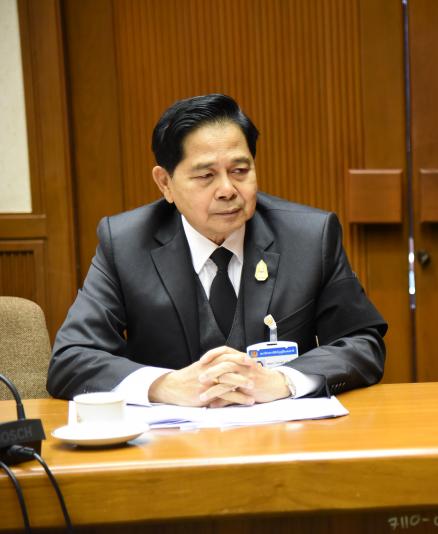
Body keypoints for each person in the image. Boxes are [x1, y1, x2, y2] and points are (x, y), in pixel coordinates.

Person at [48, 94, 387, 407]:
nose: (227, 189)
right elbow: (71, 359)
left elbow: (362, 343)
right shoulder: (126, 244)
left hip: (283, 439)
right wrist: (164, 385)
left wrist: (284, 380)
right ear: (165, 183)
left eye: (239, 171)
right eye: (206, 176)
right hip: (170, 444)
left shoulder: (309, 238)